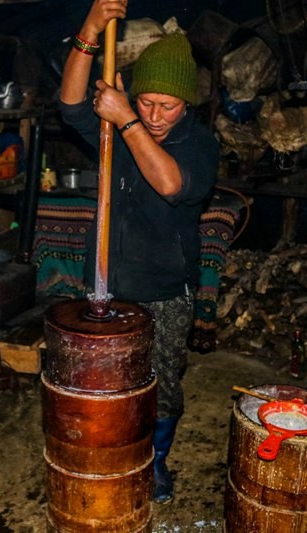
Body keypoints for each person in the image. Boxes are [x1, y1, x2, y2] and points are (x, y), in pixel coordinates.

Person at [59, 0, 220, 504]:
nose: (154, 115)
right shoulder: (116, 124)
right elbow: (68, 104)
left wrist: (126, 117)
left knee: (162, 383)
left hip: (164, 288)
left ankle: (158, 462)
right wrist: (89, 30)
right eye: (146, 102)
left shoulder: (199, 143)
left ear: (186, 104)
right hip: (106, 279)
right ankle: (107, 452)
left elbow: (171, 183)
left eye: (166, 106)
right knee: (100, 381)